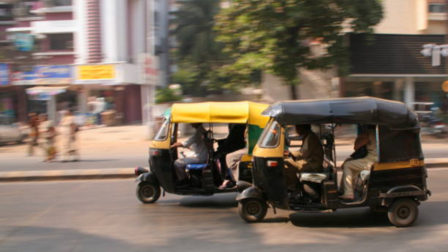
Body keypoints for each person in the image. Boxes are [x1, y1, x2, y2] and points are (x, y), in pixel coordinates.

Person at [339, 125, 378, 201]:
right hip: (371, 158)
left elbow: (356, 147)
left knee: (347, 165)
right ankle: (343, 189)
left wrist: (361, 136)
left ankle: (348, 193)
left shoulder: (369, 133)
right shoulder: (375, 132)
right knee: (348, 162)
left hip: (372, 160)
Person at [283, 124, 324, 193]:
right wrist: (290, 153)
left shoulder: (311, 138)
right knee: (286, 162)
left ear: (302, 128)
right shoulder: (308, 136)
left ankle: (294, 187)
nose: (296, 130)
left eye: (297, 128)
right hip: (309, 161)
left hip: (312, 163)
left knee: (285, 165)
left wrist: (291, 154)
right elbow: (302, 152)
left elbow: (304, 154)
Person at [216, 124, 246, 188]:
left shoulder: (238, 126)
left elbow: (230, 140)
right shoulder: (238, 126)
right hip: (237, 146)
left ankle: (230, 178)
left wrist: (221, 148)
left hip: (238, 147)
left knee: (223, 156)